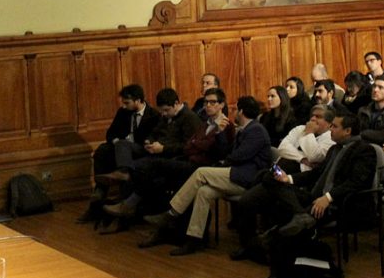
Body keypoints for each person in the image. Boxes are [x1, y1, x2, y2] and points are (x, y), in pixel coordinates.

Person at [238, 114, 376, 278]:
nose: (330, 129)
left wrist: (328, 198)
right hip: (314, 197)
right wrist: (289, 179)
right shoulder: (335, 149)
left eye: (335, 126)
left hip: (340, 204)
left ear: (348, 131)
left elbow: (356, 183)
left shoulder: (364, 151)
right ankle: (300, 214)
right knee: (271, 179)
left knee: (287, 225)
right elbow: (316, 174)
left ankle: (279, 276)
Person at [143, 96, 272, 256]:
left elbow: (239, 156)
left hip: (248, 179)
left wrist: (224, 161)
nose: (233, 112)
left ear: (242, 111)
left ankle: (172, 213)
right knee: (203, 192)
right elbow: (227, 151)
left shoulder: (256, 130)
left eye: (235, 109)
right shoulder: (245, 129)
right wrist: (219, 132)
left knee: (201, 172)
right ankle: (194, 239)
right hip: (237, 175)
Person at [100, 88, 234, 219]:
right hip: (184, 158)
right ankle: (128, 200)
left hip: (200, 165)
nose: (208, 105)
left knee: (147, 166)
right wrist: (149, 141)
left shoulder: (222, 125)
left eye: (212, 102)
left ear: (222, 104)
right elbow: (189, 145)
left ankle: (129, 201)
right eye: (206, 102)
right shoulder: (206, 123)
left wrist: (169, 148)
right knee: (134, 160)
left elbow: (214, 150)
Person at [76, 84, 160, 223]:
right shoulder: (123, 112)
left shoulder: (153, 115)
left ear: (138, 100)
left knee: (123, 147)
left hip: (140, 149)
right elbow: (110, 133)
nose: (124, 106)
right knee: (102, 150)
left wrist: (127, 143)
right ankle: (100, 190)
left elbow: (153, 137)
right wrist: (117, 142)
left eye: (127, 103)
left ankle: (123, 172)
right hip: (121, 148)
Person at [276, 105, 335, 173]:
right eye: (312, 115)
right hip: (279, 168)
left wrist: (310, 133)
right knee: (269, 173)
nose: (312, 118)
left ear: (329, 124)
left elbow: (314, 157)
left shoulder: (331, 138)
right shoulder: (300, 128)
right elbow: (282, 148)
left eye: (318, 117)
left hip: (299, 175)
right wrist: (303, 159)